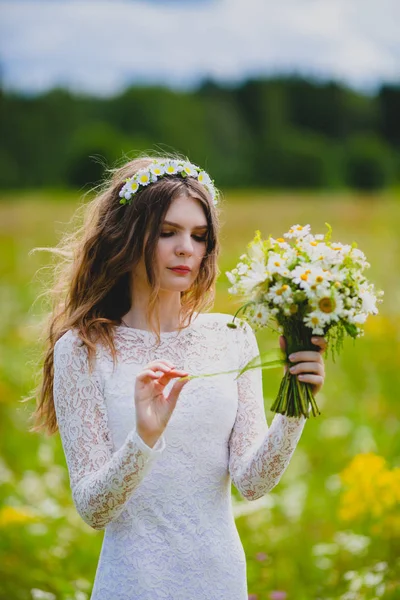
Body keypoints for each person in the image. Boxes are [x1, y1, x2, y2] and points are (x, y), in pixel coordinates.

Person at [30, 154, 326, 600]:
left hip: (220, 578)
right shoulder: (83, 348)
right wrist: (144, 438)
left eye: (198, 236)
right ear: (127, 238)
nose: (186, 247)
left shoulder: (232, 335)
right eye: (167, 232)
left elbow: (252, 482)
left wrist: (294, 405)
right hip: (133, 583)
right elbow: (93, 509)